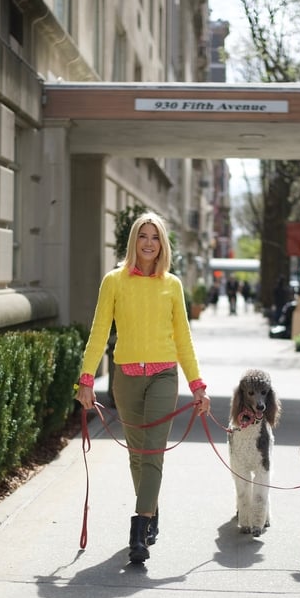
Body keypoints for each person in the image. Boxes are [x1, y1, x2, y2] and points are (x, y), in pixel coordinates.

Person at [75, 211, 211, 564]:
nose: (148, 243)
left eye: (155, 237)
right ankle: (151, 508)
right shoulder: (114, 281)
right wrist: (86, 379)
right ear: (134, 241)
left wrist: (197, 385)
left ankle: (139, 528)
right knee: (137, 455)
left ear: (162, 244)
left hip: (164, 377)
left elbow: (183, 338)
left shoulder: (172, 285)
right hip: (127, 379)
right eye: (143, 236)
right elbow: (99, 331)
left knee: (153, 452)